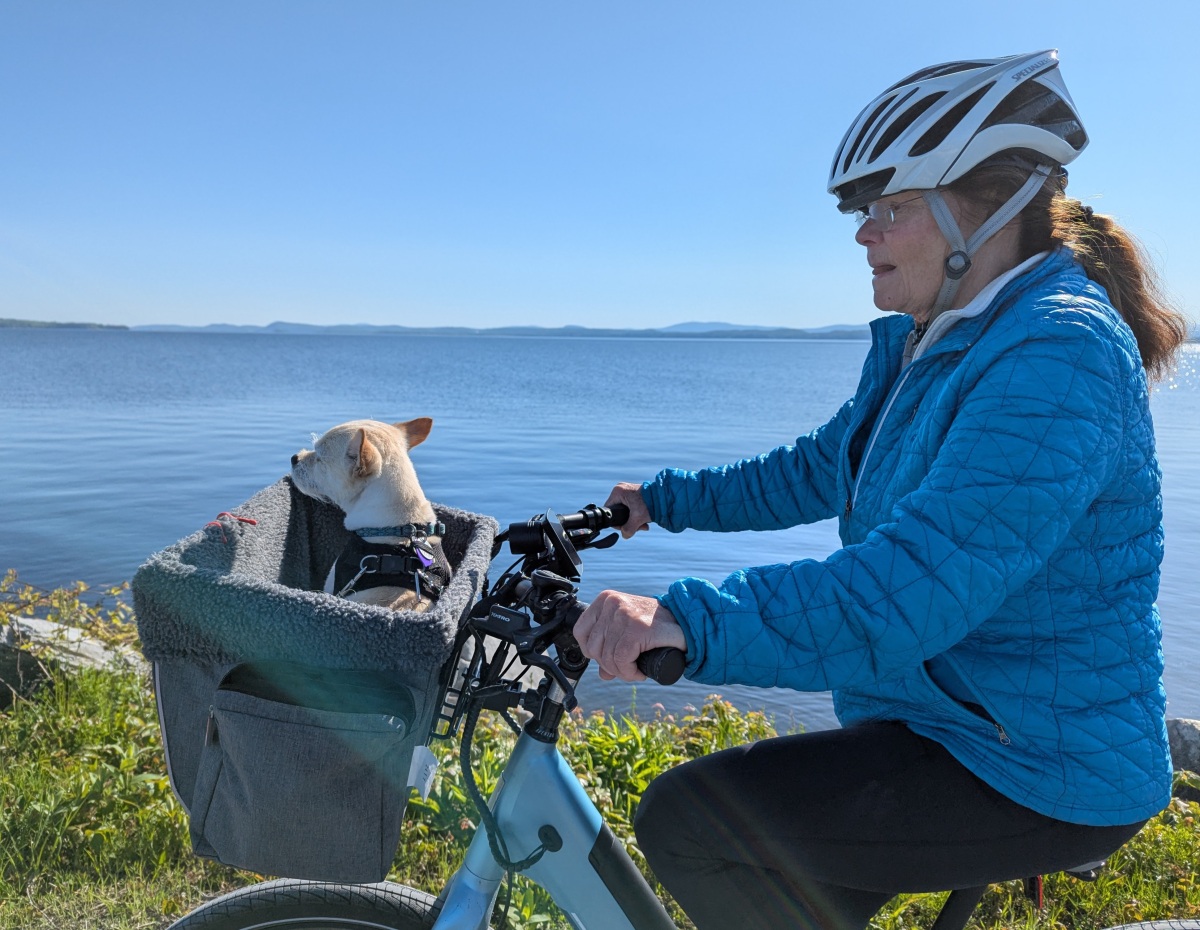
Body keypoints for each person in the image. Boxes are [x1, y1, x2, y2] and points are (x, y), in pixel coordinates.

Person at [573, 50, 1189, 930]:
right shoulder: (931, 340)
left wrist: (687, 623)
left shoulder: (1059, 354)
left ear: (984, 213)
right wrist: (662, 502)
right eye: (864, 211)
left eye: (889, 209)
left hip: (1036, 761)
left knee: (689, 821)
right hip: (948, 721)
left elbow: (913, 586)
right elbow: (818, 468)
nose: (864, 234)